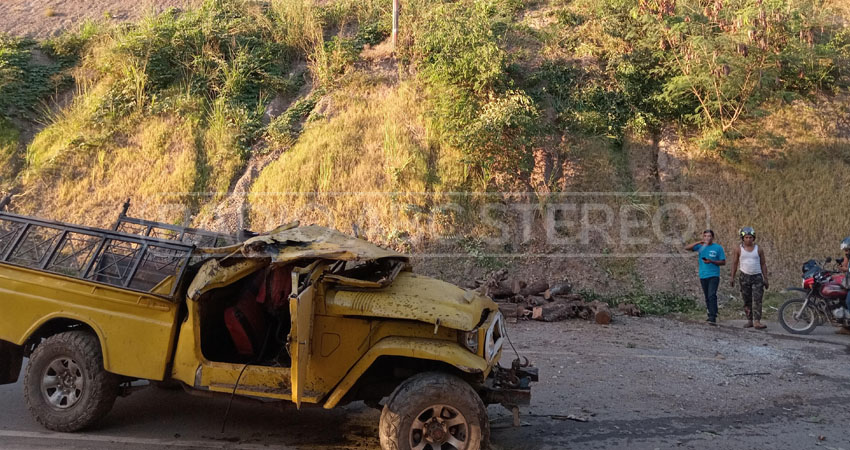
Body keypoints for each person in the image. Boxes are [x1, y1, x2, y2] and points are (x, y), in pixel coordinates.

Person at [729, 227, 769, 330]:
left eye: (750, 237)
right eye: (746, 237)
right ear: (742, 238)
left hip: (757, 277)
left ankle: (757, 321)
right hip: (744, 276)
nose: (748, 239)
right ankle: (749, 320)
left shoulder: (758, 249)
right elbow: (734, 263)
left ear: (753, 238)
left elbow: (763, 264)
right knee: (746, 299)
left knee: (758, 300)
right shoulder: (738, 249)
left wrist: (766, 278)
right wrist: (732, 277)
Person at [686, 230, 726, 325]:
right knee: (707, 296)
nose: (707, 238)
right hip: (703, 275)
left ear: (713, 237)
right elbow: (686, 248)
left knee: (712, 294)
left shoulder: (718, 248)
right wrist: (698, 242)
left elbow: (723, 262)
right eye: (705, 236)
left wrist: (712, 261)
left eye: (709, 236)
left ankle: (713, 316)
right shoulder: (700, 247)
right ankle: (709, 313)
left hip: (713, 275)